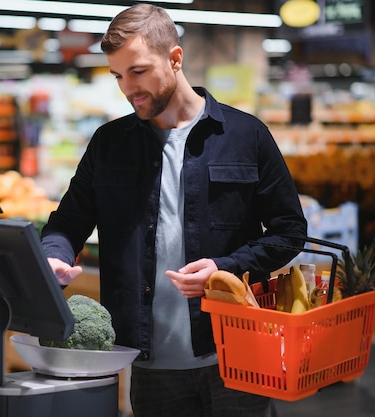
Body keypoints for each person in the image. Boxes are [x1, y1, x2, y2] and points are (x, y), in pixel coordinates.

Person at [41, 4, 307, 417]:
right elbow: (68, 221)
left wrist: (226, 267)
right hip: (149, 365)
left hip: (236, 354)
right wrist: (54, 255)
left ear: (175, 58)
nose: (128, 88)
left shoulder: (245, 135)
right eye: (118, 76)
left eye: (138, 71)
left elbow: (289, 230)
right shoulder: (109, 143)